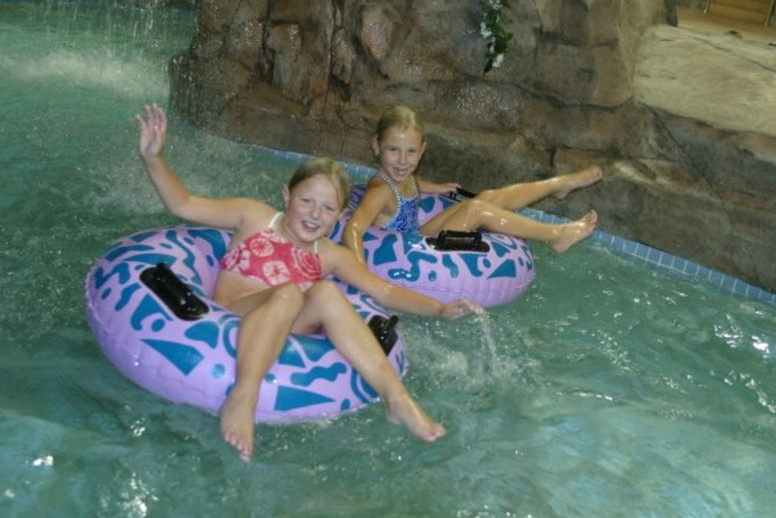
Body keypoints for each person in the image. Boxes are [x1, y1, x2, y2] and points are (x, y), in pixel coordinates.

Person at [135, 103, 482, 462]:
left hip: (287, 324)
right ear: (287, 195)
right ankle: (244, 395)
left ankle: (397, 398)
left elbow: (384, 291)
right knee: (288, 294)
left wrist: (440, 308)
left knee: (326, 292)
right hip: (229, 317)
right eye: (307, 201)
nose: (316, 214)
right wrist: (153, 158)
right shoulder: (254, 216)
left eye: (328, 208)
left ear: (341, 214)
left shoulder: (329, 254)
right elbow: (185, 204)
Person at [343, 105, 603, 265]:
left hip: (416, 236)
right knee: (476, 209)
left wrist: (434, 187)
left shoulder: (398, 177)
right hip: (412, 253)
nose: (402, 161)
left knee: (488, 196)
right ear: (376, 146)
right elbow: (354, 227)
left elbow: (409, 182)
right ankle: (557, 235)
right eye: (393, 150)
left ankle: (559, 184)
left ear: (422, 151)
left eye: (410, 152)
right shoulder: (380, 191)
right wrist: (360, 272)